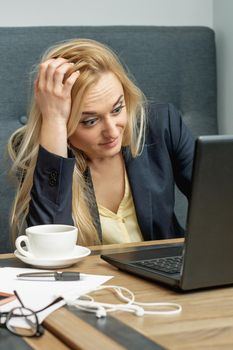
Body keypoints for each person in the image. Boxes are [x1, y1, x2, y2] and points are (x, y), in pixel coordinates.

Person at [8, 38, 194, 246]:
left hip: (166, 274)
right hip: (92, 278)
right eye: (90, 121)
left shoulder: (161, 125)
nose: (112, 131)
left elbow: (219, 198)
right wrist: (53, 121)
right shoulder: (44, 151)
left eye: (117, 109)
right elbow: (50, 246)